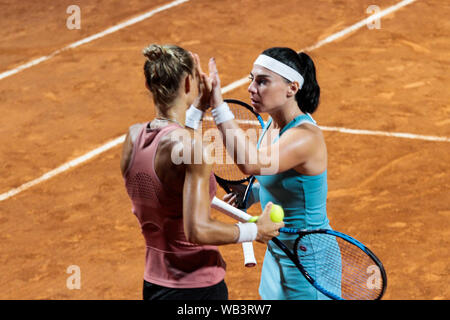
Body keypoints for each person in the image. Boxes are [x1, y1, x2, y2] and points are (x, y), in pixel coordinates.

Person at [119, 44, 283, 300]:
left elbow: (175, 161)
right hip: (196, 290)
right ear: (187, 83)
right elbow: (197, 231)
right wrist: (255, 231)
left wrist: (196, 108)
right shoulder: (191, 149)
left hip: (154, 284)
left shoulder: (133, 137)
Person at [208, 47, 334, 300]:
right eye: (251, 79)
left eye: (263, 81)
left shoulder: (304, 137)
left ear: (292, 88)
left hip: (308, 258)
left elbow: (251, 164)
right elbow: (286, 184)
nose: (251, 88)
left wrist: (218, 107)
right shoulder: (272, 126)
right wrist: (252, 193)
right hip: (279, 252)